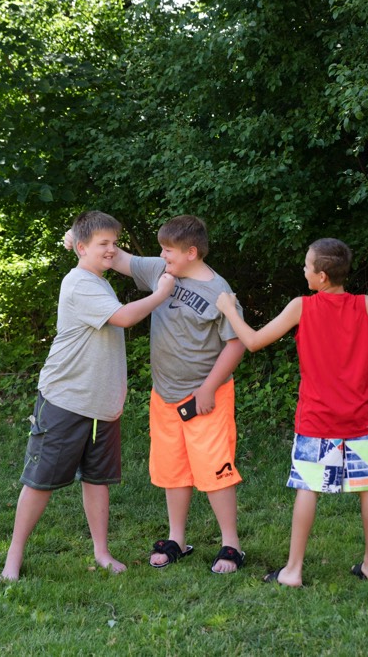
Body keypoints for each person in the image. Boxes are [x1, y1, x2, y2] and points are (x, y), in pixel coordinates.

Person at [216, 238, 368, 587]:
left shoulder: (302, 306)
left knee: (308, 487)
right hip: (357, 418)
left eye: (307, 265)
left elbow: (253, 342)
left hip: (316, 418)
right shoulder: (365, 305)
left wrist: (228, 309)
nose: (304, 270)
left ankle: (293, 571)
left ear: (323, 277)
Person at [0, 211, 175, 581]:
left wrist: (94, 244)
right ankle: (13, 558)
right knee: (40, 481)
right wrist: (161, 293)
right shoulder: (80, 282)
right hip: (66, 399)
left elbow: (105, 252)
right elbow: (124, 318)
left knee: (97, 480)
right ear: (81, 248)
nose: (112, 250)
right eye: (104, 244)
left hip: (102, 405)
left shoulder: (95, 275)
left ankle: (101, 552)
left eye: (115, 242)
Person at [108, 215, 247, 574]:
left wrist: (208, 388)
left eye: (168, 250)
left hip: (206, 398)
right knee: (173, 469)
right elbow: (119, 259)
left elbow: (235, 345)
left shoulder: (219, 291)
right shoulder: (161, 270)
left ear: (191, 252)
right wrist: (82, 240)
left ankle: (231, 544)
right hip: (165, 395)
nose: (161, 255)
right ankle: (176, 539)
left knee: (216, 471)